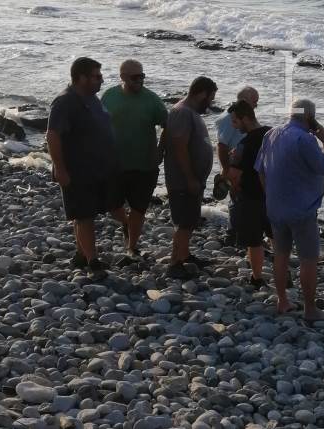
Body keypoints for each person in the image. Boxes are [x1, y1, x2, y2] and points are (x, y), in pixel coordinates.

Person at [254, 98, 324, 320]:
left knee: (281, 254)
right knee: (308, 259)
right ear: (310, 117)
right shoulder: (306, 139)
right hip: (302, 209)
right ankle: (310, 309)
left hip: (276, 207)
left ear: (291, 114)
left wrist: (270, 194)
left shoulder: (271, 134)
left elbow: (260, 170)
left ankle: (283, 301)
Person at [46, 57, 116, 278]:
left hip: (97, 168)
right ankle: (93, 261)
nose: (101, 80)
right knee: (84, 216)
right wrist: (60, 168)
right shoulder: (65, 101)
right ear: (81, 77)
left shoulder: (92, 98)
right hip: (77, 169)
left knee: (86, 213)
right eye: (97, 76)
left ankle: (81, 253)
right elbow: (53, 135)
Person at [101, 59, 168, 258]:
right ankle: (125, 223)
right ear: (122, 77)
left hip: (145, 165)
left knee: (139, 209)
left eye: (142, 76)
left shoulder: (152, 100)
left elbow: (168, 125)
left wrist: (160, 150)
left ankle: (132, 247)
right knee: (112, 206)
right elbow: (99, 123)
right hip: (114, 164)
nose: (140, 80)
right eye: (135, 77)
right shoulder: (110, 96)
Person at [163, 76, 217, 279]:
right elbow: (179, 144)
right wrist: (189, 177)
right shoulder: (183, 112)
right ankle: (174, 263)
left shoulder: (189, 112)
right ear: (201, 93)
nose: (211, 103)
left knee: (190, 220)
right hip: (183, 180)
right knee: (184, 222)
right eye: (210, 98)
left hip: (192, 179)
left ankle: (184, 255)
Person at [227, 100, 273, 286]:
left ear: (245, 118)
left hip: (251, 197)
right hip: (274, 195)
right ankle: (284, 274)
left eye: (235, 121)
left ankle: (257, 277)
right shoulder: (272, 134)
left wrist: (229, 175)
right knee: (277, 237)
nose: (233, 125)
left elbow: (235, 174)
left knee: (254, 241)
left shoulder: (245, 144)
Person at [215, 86, 259, 246]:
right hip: (234, 166)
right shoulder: (230, 118)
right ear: (244, 101)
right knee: (237, 198)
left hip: (241, 165)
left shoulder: (240, 117)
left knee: (241, 199)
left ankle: (238, 234)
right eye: (254, 102)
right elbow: (221, 145)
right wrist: (226, 170)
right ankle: (233, 235)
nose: (256, 105)